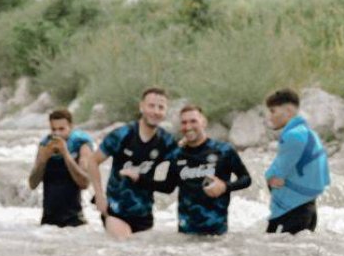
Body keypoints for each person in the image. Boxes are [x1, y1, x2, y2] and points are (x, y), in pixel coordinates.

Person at [122, 104, 252, 235]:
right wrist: (139, 179)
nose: (188, 126)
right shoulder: (176, 155)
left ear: (203, 122)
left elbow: (246, 179)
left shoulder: (224, 150)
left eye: (193, 121)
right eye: (184, 123)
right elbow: (168, 187)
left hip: (217, 236)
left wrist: (224, 186)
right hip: (185, 236)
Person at [87, 87, 177, 238]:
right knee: (125, 247)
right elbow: (93, 161)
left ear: (165, 111)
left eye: (160, 107)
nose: (155, 111)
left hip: (144, 214)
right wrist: (99, 196)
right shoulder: (122, 135)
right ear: (141, 106)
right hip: (115, 211)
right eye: (151, 106)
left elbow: (171, 184)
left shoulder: (166, 141)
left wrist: (140, 179)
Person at [264, 88, 330, 234]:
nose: (269, 117)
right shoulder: (310, 134)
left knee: (278, 255)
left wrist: (269, 176)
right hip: (308, 210)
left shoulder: (293, 136)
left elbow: (275, 176)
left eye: (273, 111)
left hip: (291, 212)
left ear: (287, 110)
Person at [28, 109, 93, 227]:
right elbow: (32, 184)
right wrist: (43, 160)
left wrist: (66, 154)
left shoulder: (81, 146)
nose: (57, 134)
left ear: (71, 127)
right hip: (48, 222)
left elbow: (84, 183)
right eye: (53, 129)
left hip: (74, 220)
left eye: (61, 129)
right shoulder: (45, 145)